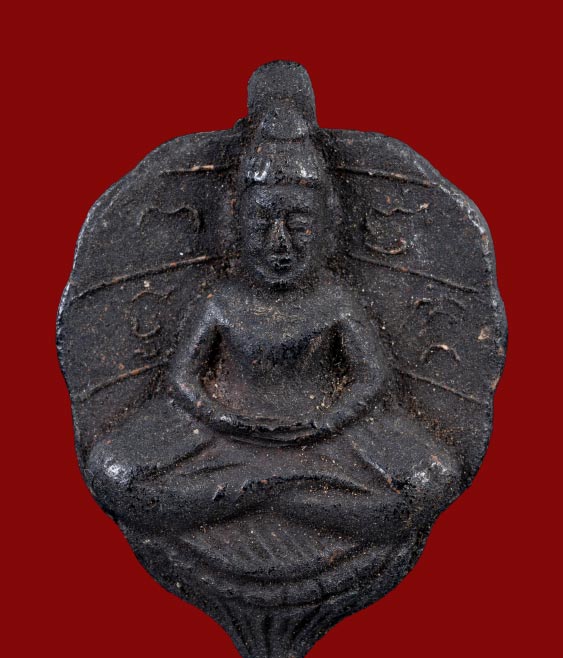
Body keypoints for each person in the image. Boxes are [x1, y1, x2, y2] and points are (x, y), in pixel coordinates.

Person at [86, 104, 460, 554]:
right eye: (262, 224)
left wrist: (328, 420)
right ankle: (289, 493)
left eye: (299, 226)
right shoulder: (222, 299)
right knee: (113, 471)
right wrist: (220, 417)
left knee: (431, 478)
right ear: (236, 227)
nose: (279, 243)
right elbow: (183, 378)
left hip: (325, 434)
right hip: (224, 431)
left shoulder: (335, 300)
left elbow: (372, 377)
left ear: (327, 228)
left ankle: (255, 494)